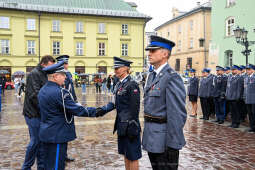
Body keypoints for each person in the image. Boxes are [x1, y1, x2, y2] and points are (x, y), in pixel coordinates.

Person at [38, 61, 114, 170]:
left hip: (46, 133)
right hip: (57, 136)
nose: (66, 77)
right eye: (63, 75)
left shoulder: (43, 90)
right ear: (55, 76)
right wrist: (105, 109)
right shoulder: (60, 92)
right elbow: (79, 110)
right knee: (56, 166)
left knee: (47, 165)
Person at [143, 35, 187, 170]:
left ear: (165, 54)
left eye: (153, 51)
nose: (149, 54)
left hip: (165, 141)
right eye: (149, 51)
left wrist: (172, 143)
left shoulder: (172, 77)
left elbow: (177, 114)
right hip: (152, 136)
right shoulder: (152, 75)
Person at [22, 55, 55, 170]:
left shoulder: (45, 74)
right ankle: (26, 167)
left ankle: (41, 167)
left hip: (40, 113)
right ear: (43, 64)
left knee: (41, 142)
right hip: (33, 113)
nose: (52, 68)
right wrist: (47, 109)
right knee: (35, 141)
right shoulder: (34, 74)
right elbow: (34, 96)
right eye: (50, 65)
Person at [111, 56, 141, 170]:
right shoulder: (119, 84)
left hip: (130, 125)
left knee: (133, 156)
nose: (115, 70)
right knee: (125, 153)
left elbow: (135, 107)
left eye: (118, 68)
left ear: (126, 69)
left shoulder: (132, 84)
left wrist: (133, 124)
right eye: (115, 68)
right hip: (121, 125)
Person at [56, 55, 77, 162]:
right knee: (62, 131)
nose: (67, 65)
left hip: (69, 103)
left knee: (66, 131)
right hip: (64, 104)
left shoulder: (67, 73)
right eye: (65, 63)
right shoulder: (59, 74)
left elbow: (71, 89)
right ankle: (61, 156)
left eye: (67, 63)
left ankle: (64, 154)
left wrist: (75, 101)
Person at [244, 64, 255, 132]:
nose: (247, 71)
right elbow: (245, 88)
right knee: (250, 113)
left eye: (249, 69)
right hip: (248, 99)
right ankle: (251, 126)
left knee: (254, 114)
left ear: (253, 70)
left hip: (254, 99)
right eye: (247, 69)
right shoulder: (247, 78)